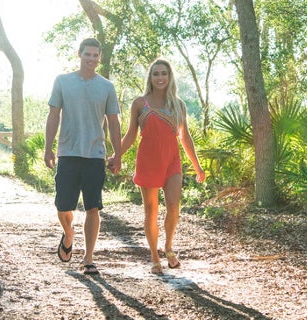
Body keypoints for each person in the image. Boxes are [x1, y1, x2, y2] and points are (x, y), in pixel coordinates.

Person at [44, 37, 122, 276]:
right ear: (79, 54)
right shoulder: (63, 81)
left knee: (93, 208)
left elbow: (113, 122)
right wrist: (48, 148)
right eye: (87, 54)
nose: (91, 59)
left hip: (95, 155)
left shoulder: (107, 86)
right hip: (67, 153)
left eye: (95, 55)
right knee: (63, 206)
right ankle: (68, 233)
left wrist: (117, 154)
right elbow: (54, 115)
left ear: (99, 57)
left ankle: (89, 259)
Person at [120, 58, 206, 275]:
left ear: (170, 77)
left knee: (174, 207)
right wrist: (116, 155)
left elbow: (185, 138)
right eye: (156, 74)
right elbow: (131, 134)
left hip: (172, 162)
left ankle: (168, 247)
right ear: (150, 77)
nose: (160, 78)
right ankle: (154, 257)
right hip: (148, 161)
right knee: (151, 210)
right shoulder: (140, 103)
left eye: (164, 74)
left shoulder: (179, 105)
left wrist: (197, 166)